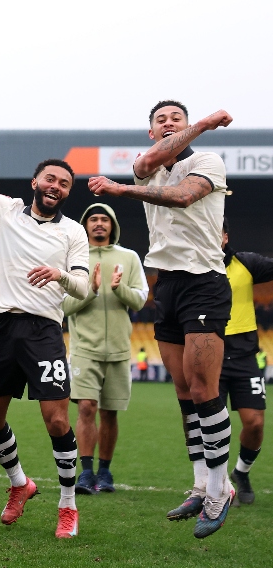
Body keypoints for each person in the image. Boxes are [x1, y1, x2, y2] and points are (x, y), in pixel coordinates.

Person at [88, 100, 234, 538]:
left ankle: (219, 489)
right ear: (151, 132)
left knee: (205, 387)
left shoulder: (207, 159)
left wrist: (204, 126)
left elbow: (185, 196)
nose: (168, 123)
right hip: (166, 284)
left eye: (177, 119)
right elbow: (150, 162)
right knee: (185, 390)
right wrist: (130, 180)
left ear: (188, 128)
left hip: (204, 280)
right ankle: (199, 483)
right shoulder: (146, 164)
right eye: (160, 120)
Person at [0, 116, 90, 539]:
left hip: (45, 331)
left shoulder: (74, 233)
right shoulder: (4, 210)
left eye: (64, 184)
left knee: (57, 421)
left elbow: (82, 288)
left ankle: (68, 506)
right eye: (51, 179)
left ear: (67, 192)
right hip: (3, 329)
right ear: (34, 182)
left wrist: (60, 275)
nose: (56, 187)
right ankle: (20, 484)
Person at [60, 203, 147, 496]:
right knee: (86, 407)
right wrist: (93, 290)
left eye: (104, 219)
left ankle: (105, 472)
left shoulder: (129, 258)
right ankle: (86, 473)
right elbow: (65, 306)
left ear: (112, 225)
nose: (99, 224)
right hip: (84, 348)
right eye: (93, 219)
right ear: (85, 225)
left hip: (120, 350)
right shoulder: (74, 258)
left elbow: (140, 300)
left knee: (110, 413)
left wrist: (118, 288)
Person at [218, 219, 273, 504]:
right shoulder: (193, 269)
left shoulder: (246, 263)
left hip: (244, 356)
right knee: (213, 427)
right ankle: (213, 484)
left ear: (225, 237)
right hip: (208, 357)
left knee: (254, 423)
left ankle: (242, 471)